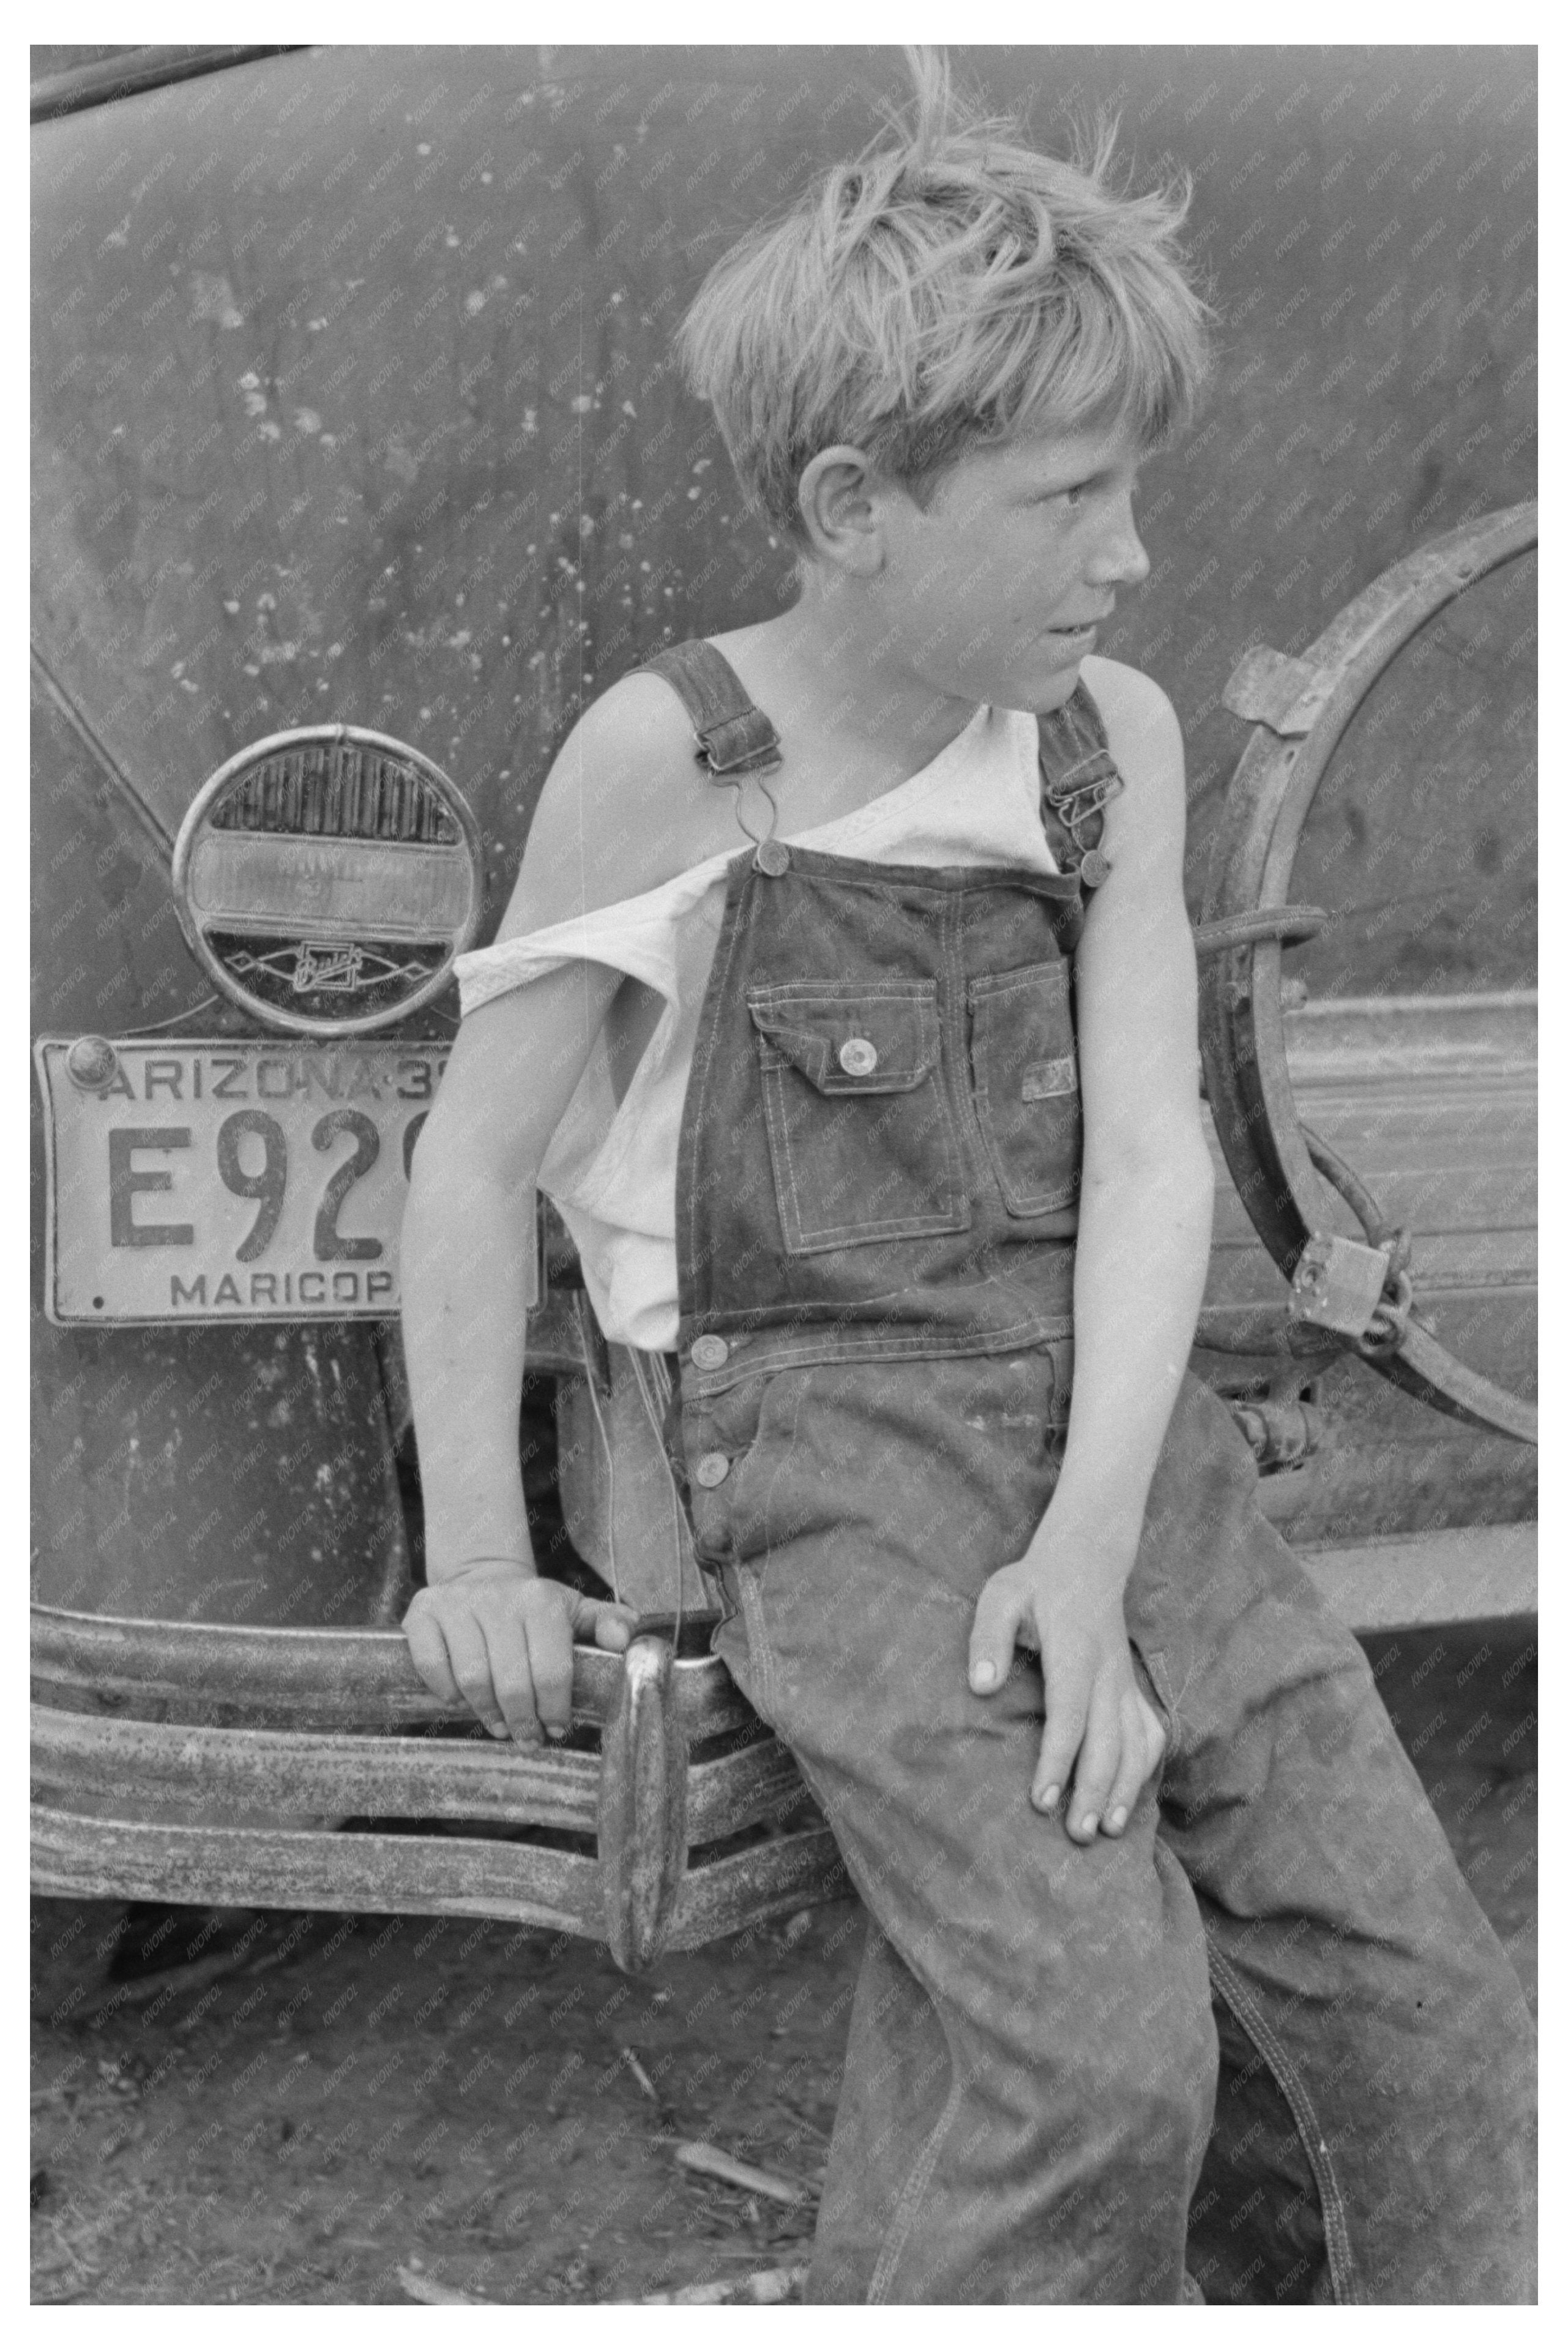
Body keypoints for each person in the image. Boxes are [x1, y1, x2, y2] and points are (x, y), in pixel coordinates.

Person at [398, 54, 1534, 2304]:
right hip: (828, 1457)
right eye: (1066, 498)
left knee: (1442, 2035)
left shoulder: (1101, 743)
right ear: (851, 503)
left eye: (1137, 491)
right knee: (1093, 2069)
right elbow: (468, 1166)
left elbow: (1143, 1168)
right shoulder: (675, 764)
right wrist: (471, 1551)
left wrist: (1099, 1541)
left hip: (1111, 1421)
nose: (1129, 557)